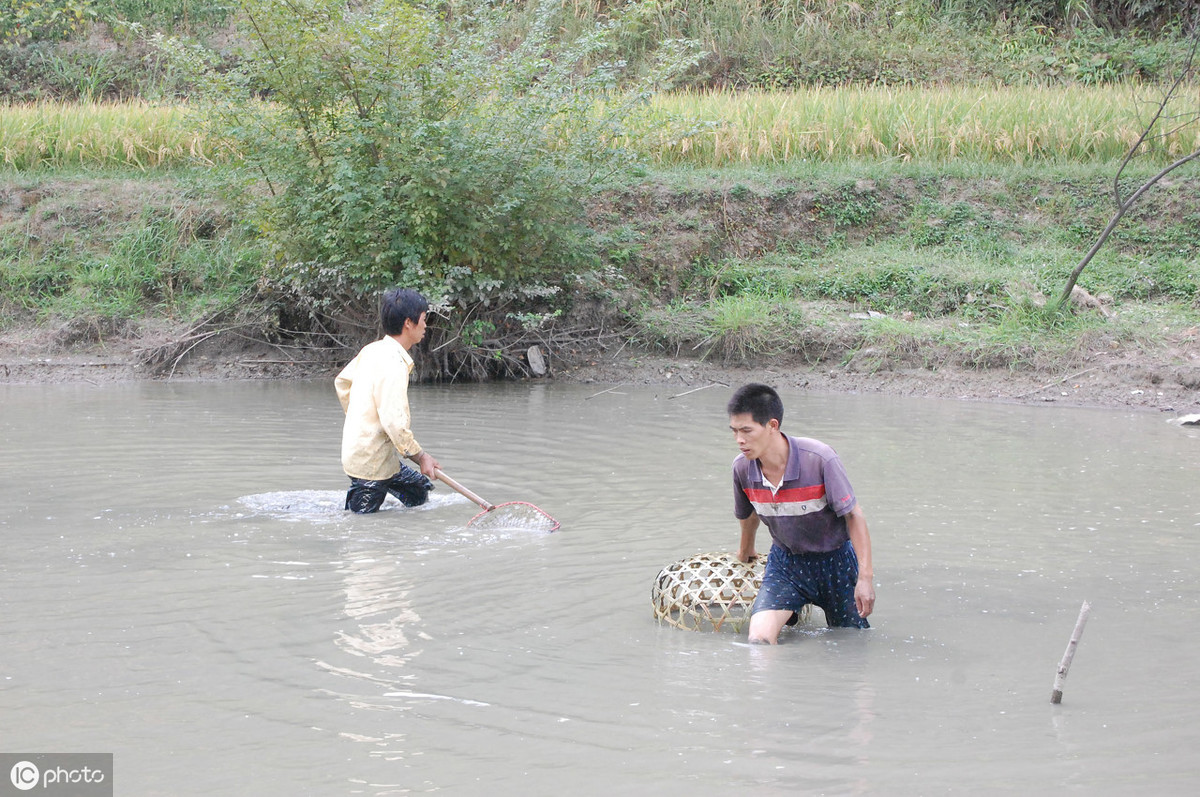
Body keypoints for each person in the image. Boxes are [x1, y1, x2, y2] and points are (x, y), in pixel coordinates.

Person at [728, 383, 874, 644]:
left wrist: (865, 578)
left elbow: (854, 516)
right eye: (735, 431)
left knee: (852, 642)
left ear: (772, 425)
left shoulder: (819, 459)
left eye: (747, 430)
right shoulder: (742, 469)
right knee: (759, 641)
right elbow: (749, 515)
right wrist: (745, 550)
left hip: (836, 563)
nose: (739, 440)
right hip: (786, 565)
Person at [335, 288, 442, 514]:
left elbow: (342, 383)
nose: (426, 326)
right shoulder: (394, 364)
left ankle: (410, 528)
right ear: (408, 323)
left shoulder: (372, 350)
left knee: (418, 489)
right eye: (424, 320)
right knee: (361, 525)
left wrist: (361, 421)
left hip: (376, 457)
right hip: (369, 465)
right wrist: (422, 456)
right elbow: (394, 422)